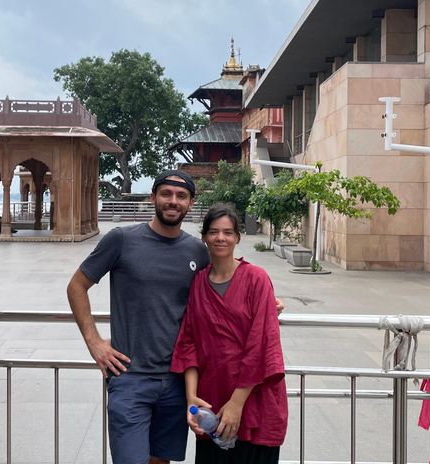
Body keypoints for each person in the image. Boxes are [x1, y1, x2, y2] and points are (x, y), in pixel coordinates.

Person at [66, 170, 283, 464]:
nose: (173, 201)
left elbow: (222, 280)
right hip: (131, 377)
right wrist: (94, 343)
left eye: (181, 196)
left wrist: (264, 301)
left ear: (191, 203)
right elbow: (77, 286)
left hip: (177, 383)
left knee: (160, 461)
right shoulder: (121, 240)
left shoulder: (196, 250)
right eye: (166, 194)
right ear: (153, 197)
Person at [171, 204, 288, 464]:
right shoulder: (198, 283)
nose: (220, 238)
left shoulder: (257, 279)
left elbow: (261, 344)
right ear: (203, 237)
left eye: (227, 232)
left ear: (237, 237)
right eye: (213, 232)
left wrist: (237, 404)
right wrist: (192, 398)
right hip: (212, 403)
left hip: (256, 400)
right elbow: (188, 342)